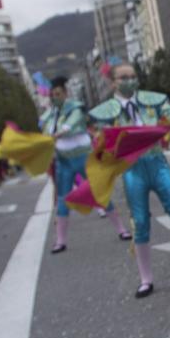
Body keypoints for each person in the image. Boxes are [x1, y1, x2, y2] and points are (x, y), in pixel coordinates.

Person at [88, 61, 170, 296]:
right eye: (123, 78)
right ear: (112, 82)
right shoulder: (106, 112)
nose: (129, 81)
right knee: (140, 221)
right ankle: (146, 278)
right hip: (132, 168)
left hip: (157, 162)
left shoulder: (151, 100)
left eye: (132, 76)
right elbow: (100, 141)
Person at [40, 76, 123, 252]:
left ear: (65, 93)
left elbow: (71, 123)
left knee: (99, 191)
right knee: (62, 199)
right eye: (52, 95)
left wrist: (58, 133)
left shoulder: (75, 108)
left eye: (58, 94)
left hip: (83, 157)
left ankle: (121, 229)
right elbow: (46, 131)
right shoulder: (49, 115)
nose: (55, 97)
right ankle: (60, 241)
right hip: (63, 160)